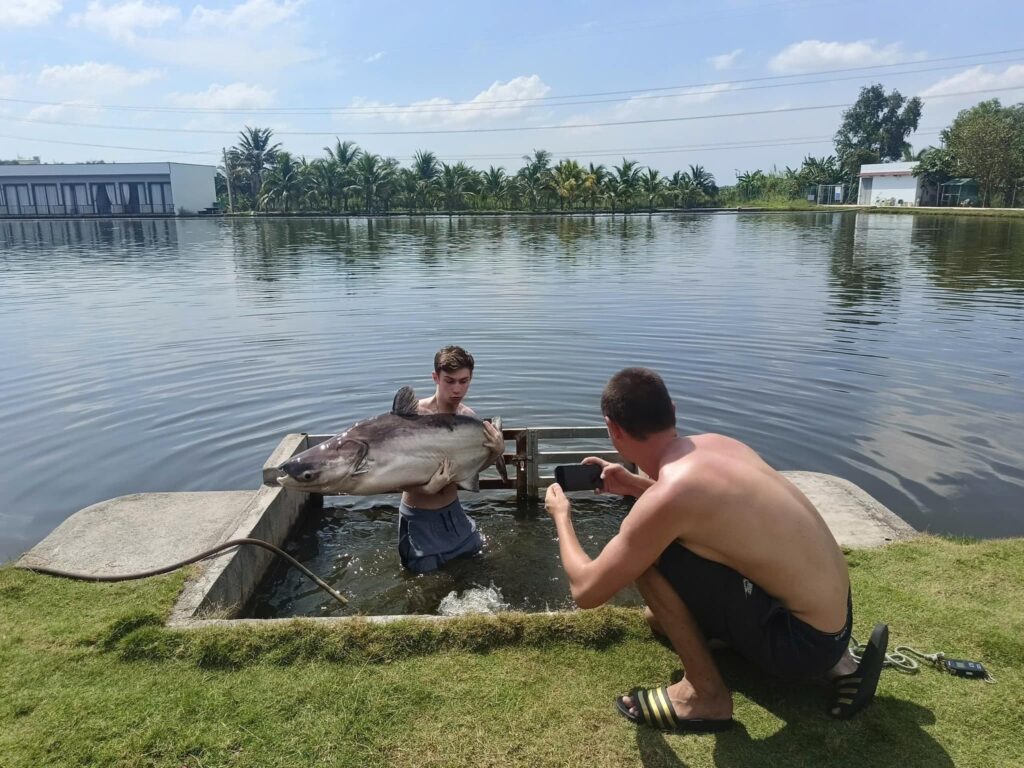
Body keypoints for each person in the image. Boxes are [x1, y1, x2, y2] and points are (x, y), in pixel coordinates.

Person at [544, 367, 888, 732]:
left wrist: (561, 516)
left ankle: (705, 695)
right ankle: (841, 664)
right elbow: (707, 516)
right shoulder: (721, 445)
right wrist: (633, 485)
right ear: (672, 411)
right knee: (655, 615)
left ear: (613, 429)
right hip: (835, 625)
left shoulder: (672, 495)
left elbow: (585, 590)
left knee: (644, 558)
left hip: (800, 647)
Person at [398, 345, 505, 574]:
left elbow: (470, 469)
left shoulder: (468, 418)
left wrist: (495, 452)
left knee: (480, 570)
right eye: (450, 381)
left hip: (455, 512)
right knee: (425, 585)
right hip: (419, 519)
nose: (457, 389)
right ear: (435, 377)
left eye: (464, 381)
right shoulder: (414, 416)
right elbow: (392, 470)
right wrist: (426, 489)